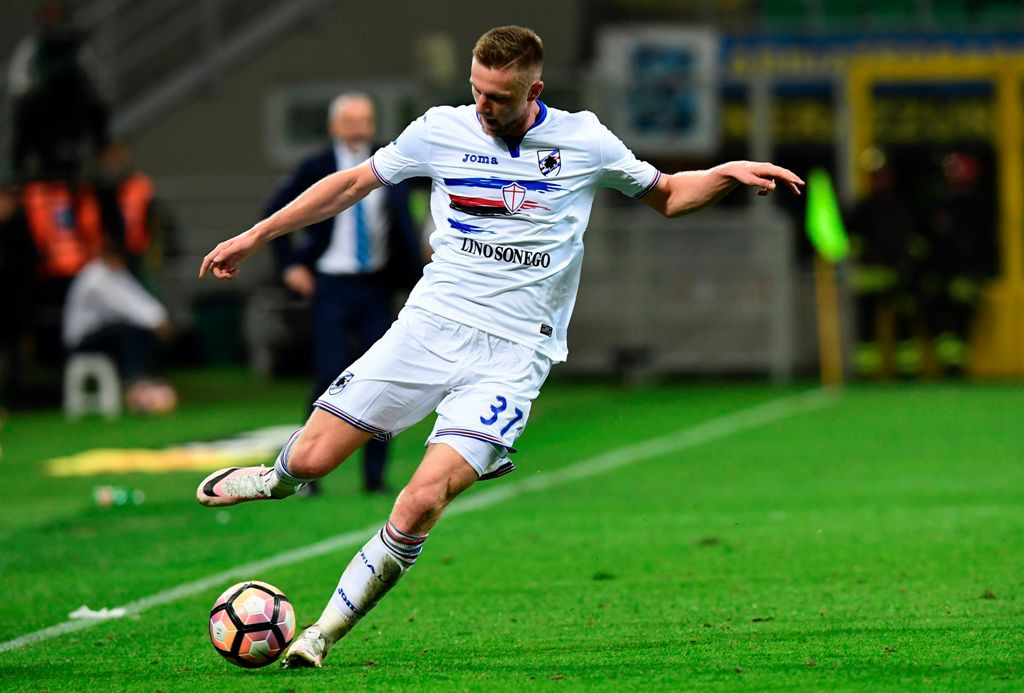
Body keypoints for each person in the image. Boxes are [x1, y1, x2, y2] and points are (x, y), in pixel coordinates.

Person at [194, 25, 803, 669]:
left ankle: (321, 634)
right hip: (428, 328)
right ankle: (278, 478)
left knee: (421, 501)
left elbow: (669, 196)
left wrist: (726, 173)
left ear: (534, 90)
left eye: (500, 98)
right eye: (477, 91)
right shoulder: (440, 130)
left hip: (513, 358)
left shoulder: (584, 140)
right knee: (315, 462)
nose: (484, 107)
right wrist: (255, 236)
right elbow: (350, 186)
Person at [265, 93, 422, 494]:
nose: (359, 129)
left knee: (383, 380)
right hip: (331, 283)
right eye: (350, 122)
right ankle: (303, 473)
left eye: (365, 121)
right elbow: (276, 211)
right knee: (327, 375)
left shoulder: (392, 160)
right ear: (334, 126)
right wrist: (290, 266)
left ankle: (374, 477)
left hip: (377, 285)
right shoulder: (316, 166)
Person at [63, 238, 176, 414]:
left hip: (105, 334)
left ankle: (142, 378)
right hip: (80, 342)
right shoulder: (94, 278)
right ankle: (135, 380)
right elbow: (122, 305)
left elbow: (135, 297)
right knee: (129, 330)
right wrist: (155, 321)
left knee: (139, 330)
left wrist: (159, 317)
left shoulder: (116, 273)